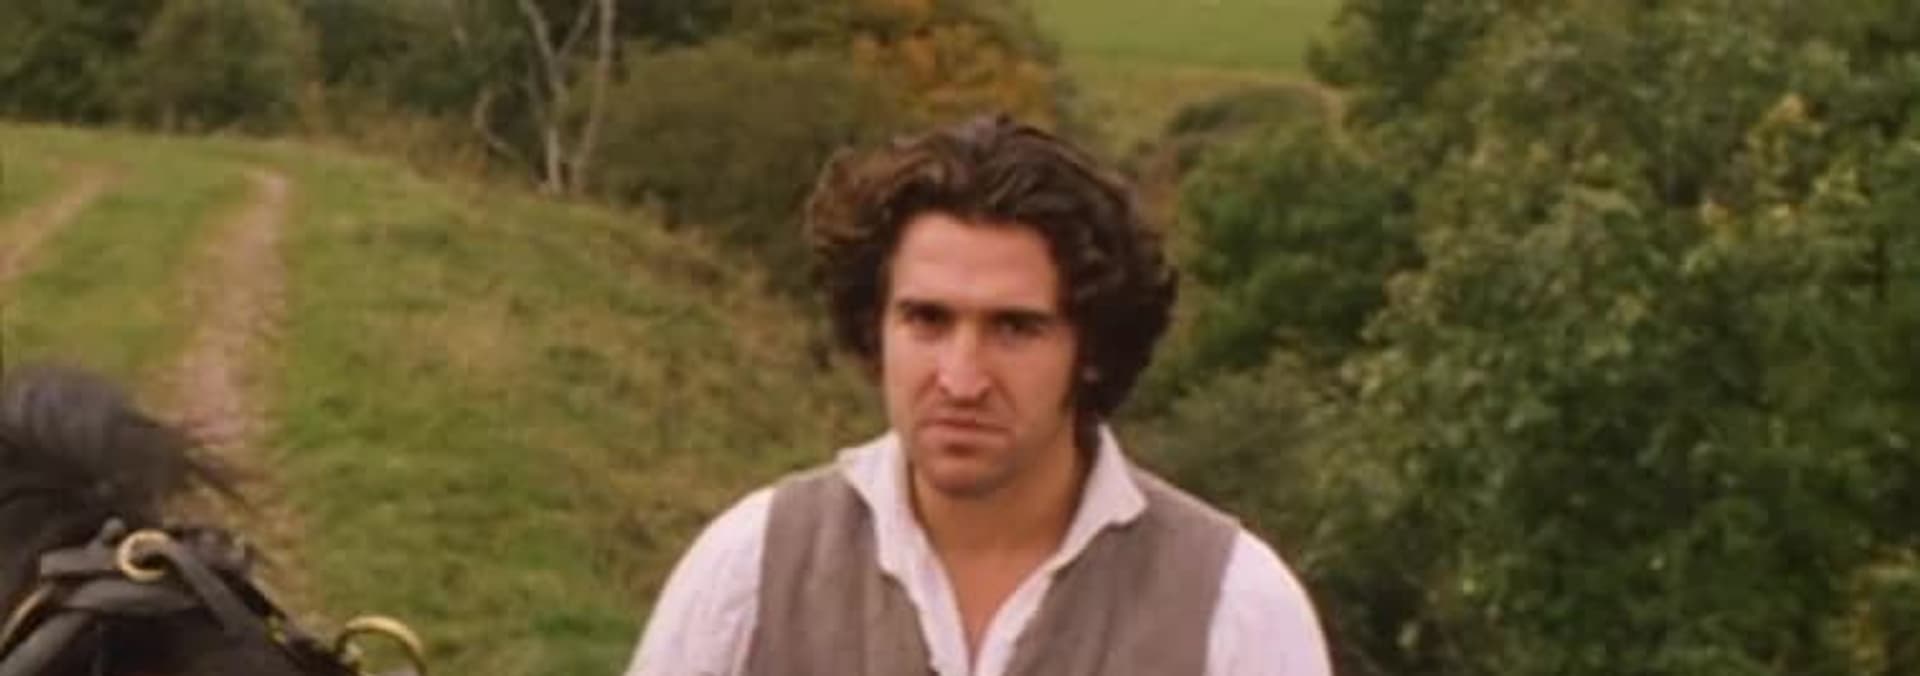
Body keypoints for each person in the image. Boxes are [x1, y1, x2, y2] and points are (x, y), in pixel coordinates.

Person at [623, 115, 1330, 676]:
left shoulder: (1231, 603)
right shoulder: (753, 567)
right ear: (875, 329)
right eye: (927, 320)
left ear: (1089, 350)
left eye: (1015, 328)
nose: (961, 379)